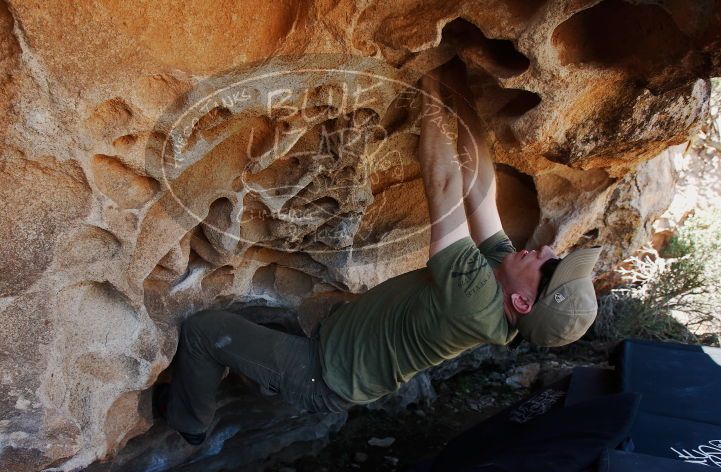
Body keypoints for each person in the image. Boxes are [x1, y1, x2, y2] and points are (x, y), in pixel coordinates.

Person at [153, 62, 601, 446]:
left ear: (523, 303)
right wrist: (454, 89)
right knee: (265, 328)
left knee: (204, 331)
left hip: (320, 374)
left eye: (551, 268)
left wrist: (426, 90)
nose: (545, 250)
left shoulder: (477, 302)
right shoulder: (504, 275)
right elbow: (481, 185)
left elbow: (444, 184)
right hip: (336, 341)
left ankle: (189, 423)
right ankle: (254, 373)